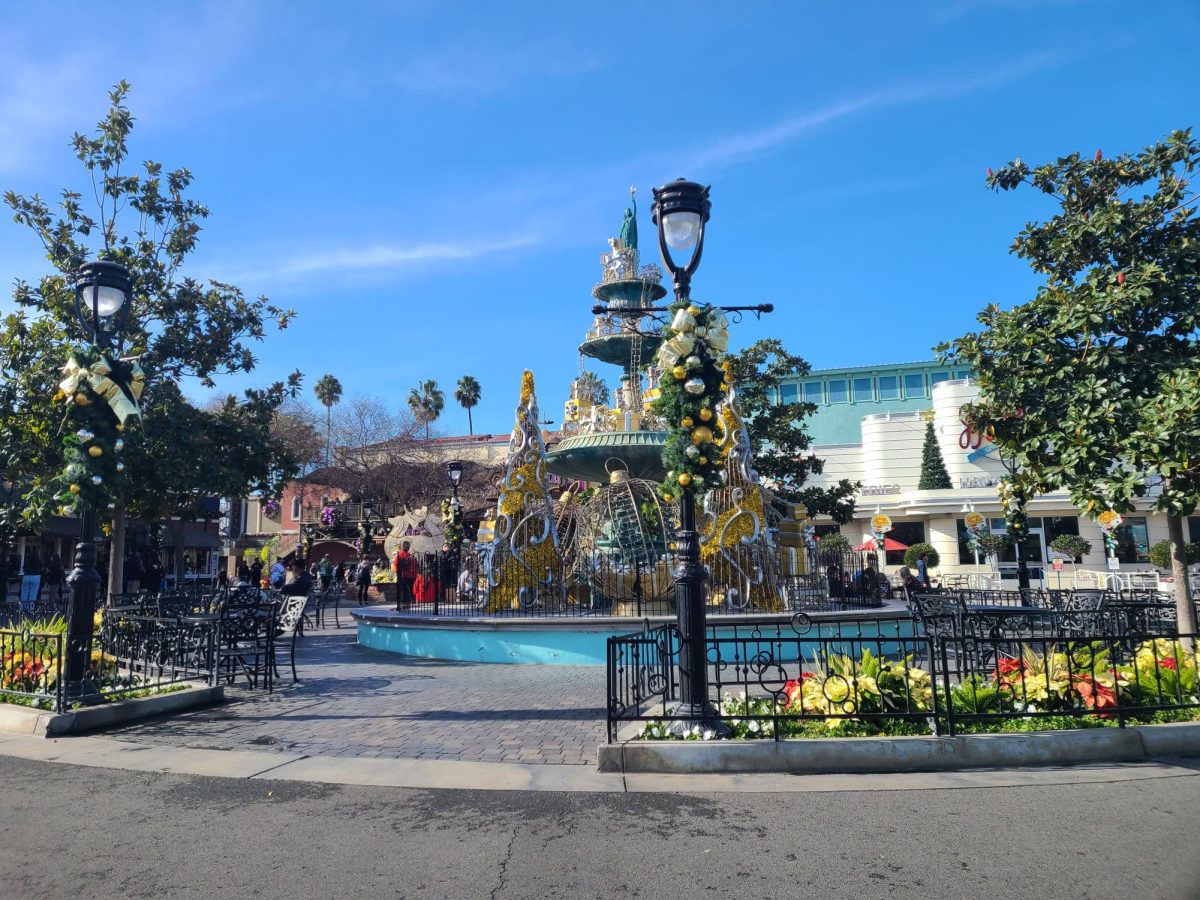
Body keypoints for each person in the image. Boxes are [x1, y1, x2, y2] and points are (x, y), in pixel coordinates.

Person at [393, 541, 417, 610]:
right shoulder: (408, 555)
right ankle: (406, 605)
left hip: (404, 575)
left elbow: (395, 564)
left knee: (404, 591)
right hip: (407, 576)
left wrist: (397, 573)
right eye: (406, 546)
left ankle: (403, 605)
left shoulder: (401, 554)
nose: (406, 547)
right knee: (407, 591)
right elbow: (414, 566)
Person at [438, 543, 459, 607]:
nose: (447, 547)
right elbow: (443, 559)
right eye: (445, 546)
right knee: (444, 584)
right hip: (443, 571)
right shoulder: (440, 553)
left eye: (448, 546)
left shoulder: (452, 553)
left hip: (451, 571)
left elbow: (455, 560)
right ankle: (443, 597)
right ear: (442, 548)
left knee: (452, 584)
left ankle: (451, 597)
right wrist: (447, 553)